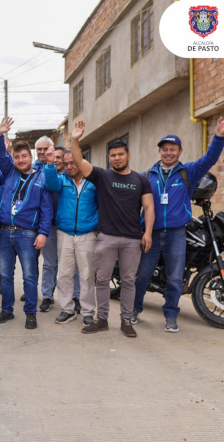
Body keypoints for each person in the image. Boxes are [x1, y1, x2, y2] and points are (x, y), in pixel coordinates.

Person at [133, 113, 224, 332]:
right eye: (165, 149)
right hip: (151, 233)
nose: (168, 152)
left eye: (173, 149)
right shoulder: (147, 175)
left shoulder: (187, 171)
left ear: (179, 152)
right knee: (142, 275)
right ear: (159, 151)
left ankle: (171, 316)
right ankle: (134, 309)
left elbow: (209, 159)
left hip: (176, 234)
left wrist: (219, 135)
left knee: (174, 279)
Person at [71, 120, 154, 337]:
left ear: (128, 156)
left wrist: (147, 233)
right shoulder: (102, 176)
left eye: (120, 154)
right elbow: (79, 161)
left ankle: (126, 320)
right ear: (109, 158)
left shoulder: (140, 180)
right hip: (106, 237)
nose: (117, 158)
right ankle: (102, 319)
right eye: (113, 155)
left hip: (132, 240)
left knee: (128, 281)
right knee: (102, 280)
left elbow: (149, 207)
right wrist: (74, 139)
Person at [0, 117, 53, 329]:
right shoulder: (9, 172)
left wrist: (43, 232)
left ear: (31, 157)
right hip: (4, 232)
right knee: (5, 276)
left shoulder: (42, 177)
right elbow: (0, 155)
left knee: (29, 276)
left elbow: (46, 209)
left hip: (28, 234)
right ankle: (7, 310)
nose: (20, 160)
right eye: (16, 156)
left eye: (24, 156)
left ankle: (30, 312)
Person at [44, 148, 99, 326]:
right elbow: (51, 184)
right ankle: (67, 309)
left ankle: (88, 312)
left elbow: (101, 205)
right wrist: (50, 164)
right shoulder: (61, 180)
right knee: (65, 274)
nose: (69, 166)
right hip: (65, 233)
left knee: (87, 275)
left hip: (87, 234)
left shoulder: (93, 182)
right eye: (66, 163)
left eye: (72, 162)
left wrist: (95, 223)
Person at [38, 144, 67, 313]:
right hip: (49, 226)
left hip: (67, 227)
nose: (55, 160)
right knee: (49, 264)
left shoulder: (70, 178)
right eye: (53, 157)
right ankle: (47, 296)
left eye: (59, 157)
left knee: (71, 266)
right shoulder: (46, 175)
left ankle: (74, 297)